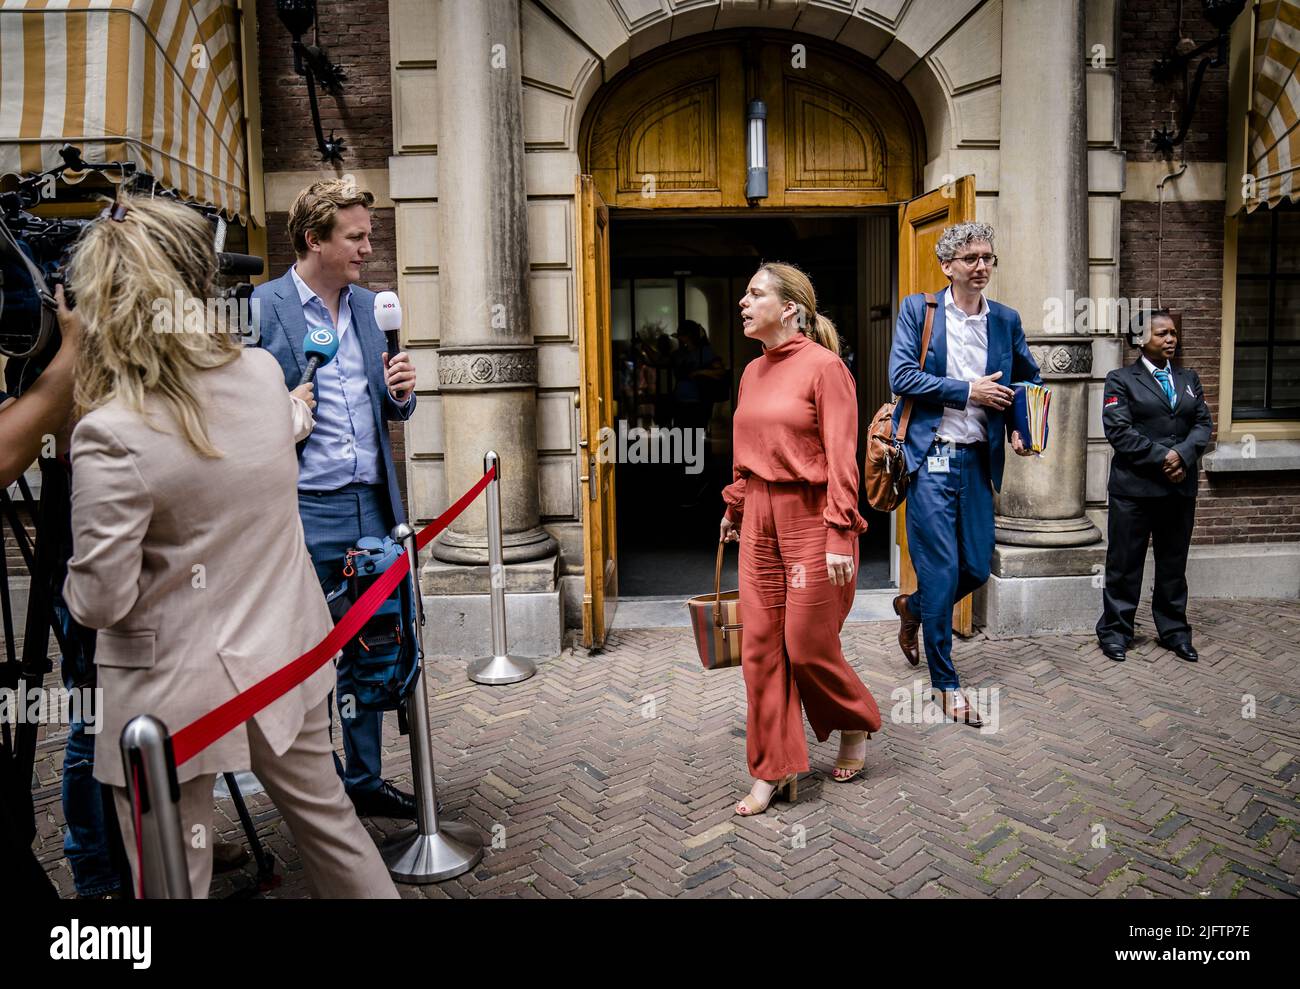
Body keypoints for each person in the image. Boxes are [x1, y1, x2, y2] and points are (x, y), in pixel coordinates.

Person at [62, 194, 398, 898]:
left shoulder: (110, 431)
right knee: (336, 834)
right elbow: (286, 424)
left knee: (177, 880)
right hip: (285, 654)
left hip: (169, 695)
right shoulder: (257, 376)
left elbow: (100, 600)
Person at [250, 179, 419, 821]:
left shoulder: (375, 309)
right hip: (299, 509)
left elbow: (390, 409)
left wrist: (401, 391)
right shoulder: (261, 309)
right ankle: (314, 784)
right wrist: (283, 405)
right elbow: (231, 412)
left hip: (372, 506)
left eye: (368, 235)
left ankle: (366, 779)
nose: (368, 248)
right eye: (356, 237)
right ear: (313, 239)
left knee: (372, 641)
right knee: (301, 649)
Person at [721, 262, 882, 817]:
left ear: (789, 307)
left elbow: (843, 457)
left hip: (814, 517)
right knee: (760, 647)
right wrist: (736, 506)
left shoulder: (826, 368)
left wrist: (841, 530)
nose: (744, 300)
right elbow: (746, 452)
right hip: (760, 515)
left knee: (807, 643)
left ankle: (855, 720)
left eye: (755, 292)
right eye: (746, 293)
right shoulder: (751, 372)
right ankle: (772, 770)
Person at [887, 222, 1041, 726]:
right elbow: (901, 376)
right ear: (947, 264)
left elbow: (1028, 378)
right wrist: (968, 391)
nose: (981, 266)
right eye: (971, 257)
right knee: (943, 571)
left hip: (977, 459)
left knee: (976, 567)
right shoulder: (920, 310)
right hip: (930, 457)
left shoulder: (1006, 320)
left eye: (988, 257)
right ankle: (946, 684)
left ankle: (913, 608)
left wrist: (1022, 428)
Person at [1096, 311, 1212, 663]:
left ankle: (1175, 631)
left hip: (1179, 490)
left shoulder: (1189, 378)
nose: (1171, 339)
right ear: (1140, 340)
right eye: (1162, 333)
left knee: (1173, 565)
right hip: (1135, 491)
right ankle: (1116, 632)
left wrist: (1183, 455)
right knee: (1124, 565)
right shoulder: (1120, 380)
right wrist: (1165, 458)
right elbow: (1118, 431)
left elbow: (1203, 424)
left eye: (1174, 333)